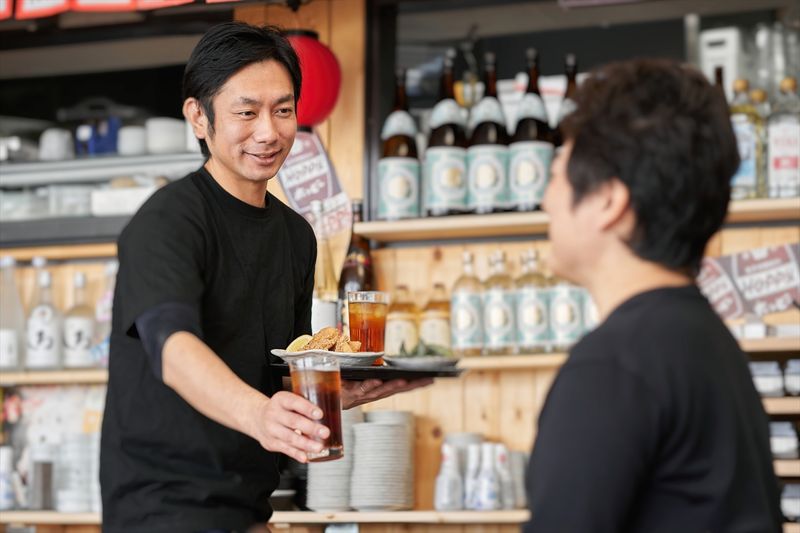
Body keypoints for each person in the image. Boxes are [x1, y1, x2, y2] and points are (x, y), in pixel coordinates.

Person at [100, 22, 429, 533]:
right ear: (198, 117)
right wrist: (260, 416)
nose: (268, 132)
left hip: (249, 508)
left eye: (283, 110)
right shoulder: (168, 220)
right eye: (246, 112)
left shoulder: (296, 235)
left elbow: (279, 368)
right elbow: (172, 348)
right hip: (161, 511)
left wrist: (338, 390)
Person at [525, 59, 782, 532]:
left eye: (556, 174)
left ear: (609, 201)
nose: (545, 200)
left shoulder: (612, 366)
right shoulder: (707, 340)